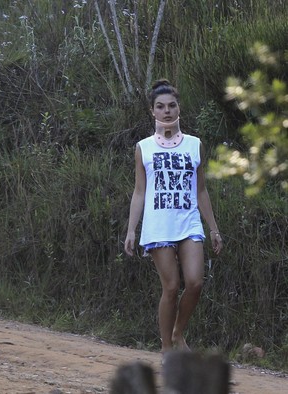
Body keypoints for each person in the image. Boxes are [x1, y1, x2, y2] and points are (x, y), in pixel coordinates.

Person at [124, 79, 223, 356]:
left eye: (171, 105)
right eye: (160, 107)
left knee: (195, 282)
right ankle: (167, 347)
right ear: (152, 111)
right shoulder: (144, 148)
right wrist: (132, 230)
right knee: (171, 286)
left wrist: (213, 228)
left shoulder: (194, 145)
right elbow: (140, 191)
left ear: (179, 108)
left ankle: (178, 333)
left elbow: (201, 189)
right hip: (158, 226)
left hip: (188, 221)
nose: (166, 111)